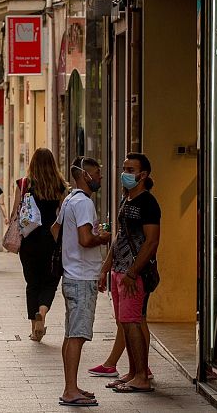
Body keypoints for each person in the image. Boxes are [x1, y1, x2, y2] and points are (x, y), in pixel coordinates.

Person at [97, 153, 160, 393]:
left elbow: (151, 242)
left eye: (130, 169)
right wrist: (106, 267)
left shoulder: (148, 203)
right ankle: (133, 373)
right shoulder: (128, 199)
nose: (125, 173)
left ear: (143, 175)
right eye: (124, 168)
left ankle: (142, 376)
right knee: (125, 322)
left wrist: (133, 272)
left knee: (133, 322)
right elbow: (120, 237)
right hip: (119, 271)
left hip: (134, 276)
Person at [51, 156, 111, 407]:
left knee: (71, 334)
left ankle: (72, 386)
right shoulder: (84, 203)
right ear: (85, 176)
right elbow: (86, 239)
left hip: (73, 273)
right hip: (82, 275)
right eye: (96, 173)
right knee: (77, 335)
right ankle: (70, 390)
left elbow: (55, 230)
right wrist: (103, 237)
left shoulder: (69, 200)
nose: (100, 177)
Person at [13, 148, 68, 341]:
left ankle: (34, 326)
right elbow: (63, 215)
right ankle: (42, 314)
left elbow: (16, 213)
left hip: (30, 240)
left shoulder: (24, 184)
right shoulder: (60, 185)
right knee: (50, 282)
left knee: (32, 283)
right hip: (51, 240)